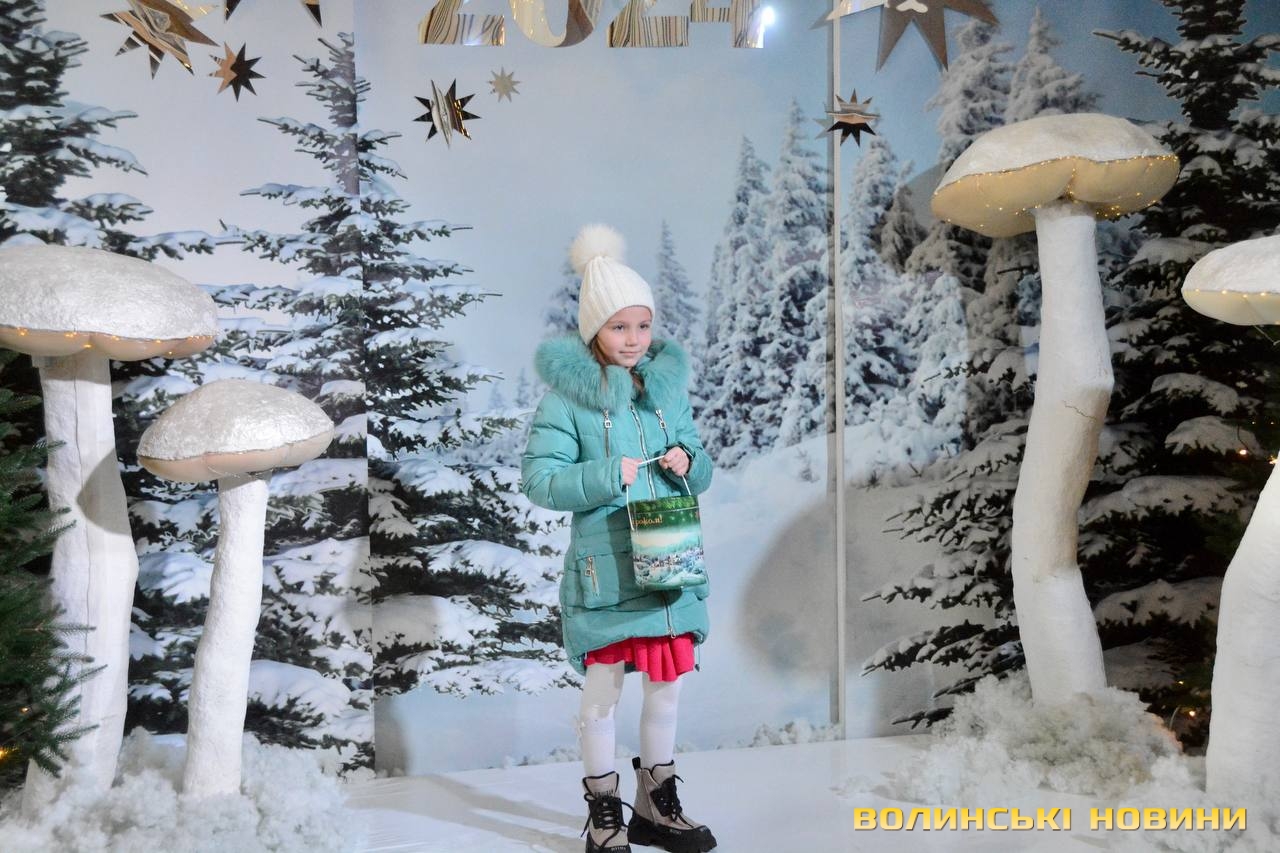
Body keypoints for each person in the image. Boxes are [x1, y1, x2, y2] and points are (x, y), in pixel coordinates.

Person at [522, 224, 717, 853]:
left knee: (666, 689)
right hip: (607, 573)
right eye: (618, 327)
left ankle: (656, 806)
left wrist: (689, 462)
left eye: (642, 325)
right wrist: (607, 474)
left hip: (667, 564)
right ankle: (604, 812)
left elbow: (703, 468)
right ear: (593, 331)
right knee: (601, 695)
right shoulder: (565, 404)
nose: (634, 339)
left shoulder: (665, 393)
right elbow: (540, 481)